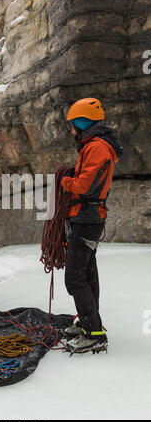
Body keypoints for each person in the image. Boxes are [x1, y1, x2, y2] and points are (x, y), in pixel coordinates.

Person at [61, 98, 123, 354]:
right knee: (86, 273)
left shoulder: (96, 148)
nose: (72, 131)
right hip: (86, 218)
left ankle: (94, 332)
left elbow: (85, 186)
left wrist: (66, 182)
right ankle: (88, 323)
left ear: (83, 123)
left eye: (74, 125)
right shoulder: (92, 146)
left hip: (87, 219)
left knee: (74, 278)